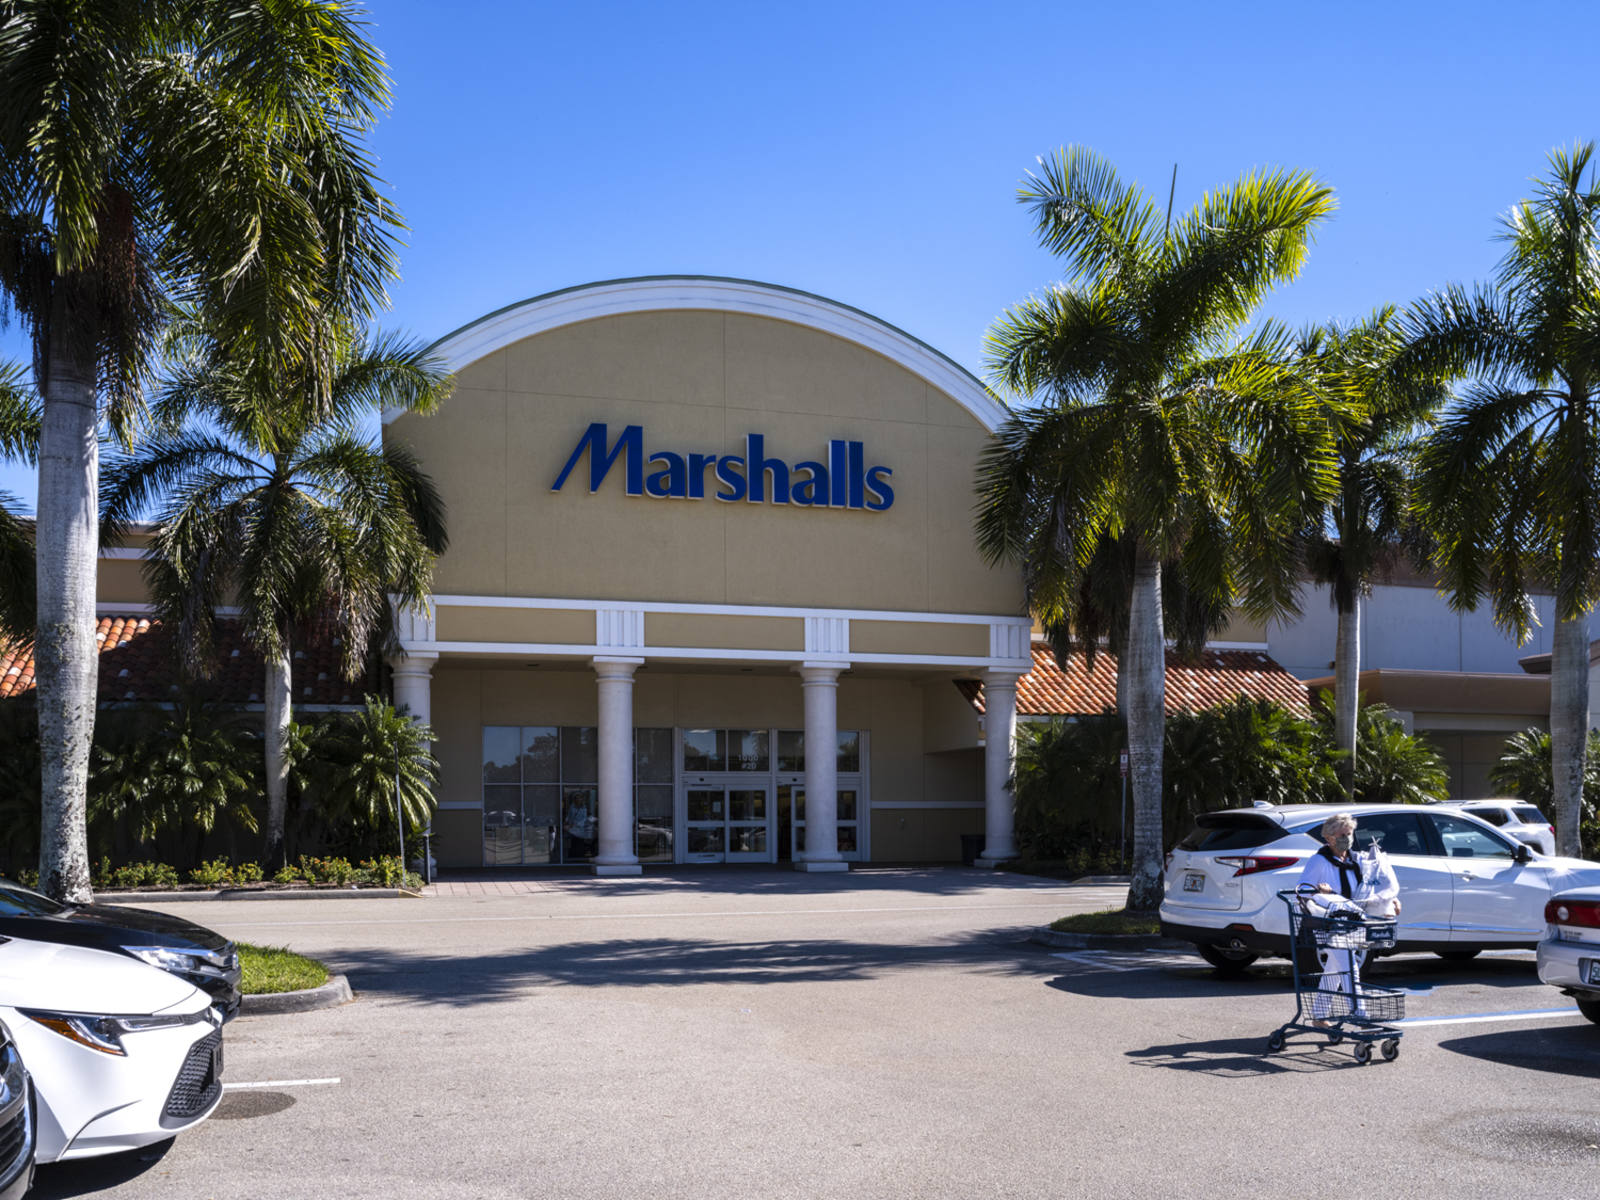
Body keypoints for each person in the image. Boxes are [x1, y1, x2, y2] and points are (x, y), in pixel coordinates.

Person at [1297, 812, 1396, 1024]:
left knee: (1335, 967)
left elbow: (1366, 890)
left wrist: (1389, 901)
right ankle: (1359, 1012)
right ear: (1329, 837)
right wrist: (1321, 894)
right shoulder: (1319, 861)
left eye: (1349, 834)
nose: (1347, 838)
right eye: (1342, 834)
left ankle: (1319, 1014)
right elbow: (1303, 893)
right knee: (1349, 965)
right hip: (1328, 924)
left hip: (1351, 923)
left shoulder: (1356, 860)